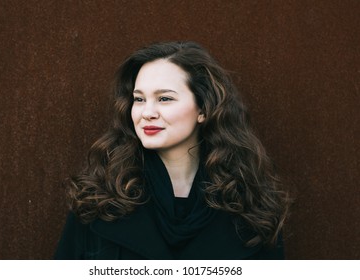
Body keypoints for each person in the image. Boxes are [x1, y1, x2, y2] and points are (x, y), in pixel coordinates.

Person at [54, 41, 290, 260]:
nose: (147, 112)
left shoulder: (249, 205)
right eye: (139, 99)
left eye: (164, 98)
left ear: (203, 109)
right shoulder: (99, 198)